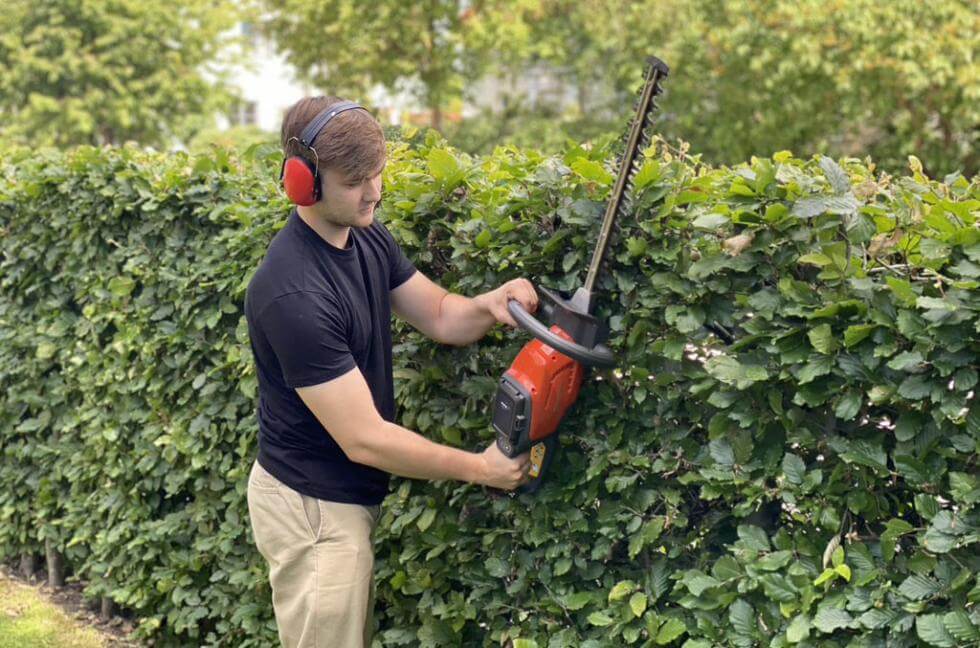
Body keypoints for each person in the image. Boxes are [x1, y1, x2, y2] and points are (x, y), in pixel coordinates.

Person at [243, 96, 536, 648]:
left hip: (340, 502)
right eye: (355, 180)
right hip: (314, 511)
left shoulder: (367, 235)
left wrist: (492, 303)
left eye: (377, 174)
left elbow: (443, 314)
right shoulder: (292, 293)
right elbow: (366, 440)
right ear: (303, 181)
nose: (373, 192)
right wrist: (481, 467)